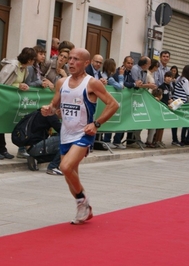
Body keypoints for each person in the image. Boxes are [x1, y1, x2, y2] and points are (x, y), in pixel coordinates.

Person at [41, 48, 119, 224]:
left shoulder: (92, 83)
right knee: (70, 175)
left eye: (76, 59)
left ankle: (83, 200)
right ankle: (83, 209)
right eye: (69, 59)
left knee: (65, 167)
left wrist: (96, 124)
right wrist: (48, 110)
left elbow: (113, 105)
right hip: (65, 134)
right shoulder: (62, 82)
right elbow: (54, 106)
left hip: (83, 134)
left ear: (86, 63)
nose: (70, 62)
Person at [0, 47, 36, 159]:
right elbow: (1, 82)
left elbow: (19, 81)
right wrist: (18, 86)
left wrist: (21, 85)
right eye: (33, 59)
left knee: (2, 124)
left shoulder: (24, 69)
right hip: (2, 97)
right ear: (29, 60)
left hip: (10, 99)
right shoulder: (13, 66)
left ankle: (2, 148)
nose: (33, 62)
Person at [111, 56, 143, 149]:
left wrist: (137, 84)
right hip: (116, 100)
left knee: (123, 121)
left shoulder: (129, 73)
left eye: (132, 63)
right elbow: (124, 84)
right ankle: (108, 140)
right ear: (124, 62)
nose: (130, 65)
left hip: (125, 102)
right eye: (128, 63)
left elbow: (132, 83)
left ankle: (118, 141)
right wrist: (133, 84)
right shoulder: (119, 71)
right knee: (114, 120)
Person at [22, 109, 62, 175]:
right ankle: (52, 167)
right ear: (59, 111)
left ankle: (37, 159)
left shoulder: (44, 112)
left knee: (63, 148)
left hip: (31, 147)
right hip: (35, 146)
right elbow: (63, 132)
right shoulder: (51, 115)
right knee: (68, 142)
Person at [101, 58, 124, 149]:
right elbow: (120, 87)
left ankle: (106, 139)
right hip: (106, 102)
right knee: (108, 119)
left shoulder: (104, 75)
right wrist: (121, 76)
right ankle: (106, 140)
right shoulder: (109, 78)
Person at [153, 71, 174, 148]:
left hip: (167, 107)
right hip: (162, 106)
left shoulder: (170, 87)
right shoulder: (162, 86)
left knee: (163, 125)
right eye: (167, 76)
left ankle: (160, 140)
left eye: (170, 77)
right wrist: (166, 102)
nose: (169, 78)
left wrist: (171, 100)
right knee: (159, 126)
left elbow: (170, 96)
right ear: (164, 77)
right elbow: (160, 97)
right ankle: (156, 140)